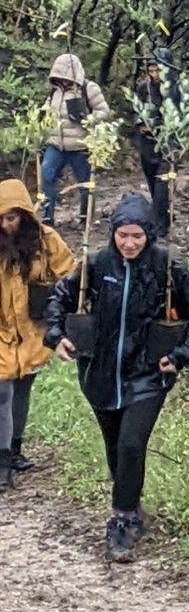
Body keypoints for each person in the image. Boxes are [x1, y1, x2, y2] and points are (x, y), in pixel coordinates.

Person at [43, 193, 189, 558]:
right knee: (116, 447)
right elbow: (59, 298)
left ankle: (120, 521)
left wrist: (181, 355)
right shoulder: (96, 264)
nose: (130, 243)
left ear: (149, 234)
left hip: (149, 374)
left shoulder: (166, 268)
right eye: (123, 236)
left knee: (133, 444)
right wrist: (57, 337)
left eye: (137, 236)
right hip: (100, 374)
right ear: (113, 234)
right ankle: (132, 506)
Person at [0, 179, 76, 489]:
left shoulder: (45, 241)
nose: (5, 225)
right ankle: (2, 460)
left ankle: (14, 448)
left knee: (21, 391)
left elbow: (71, 275)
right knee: (1, 393)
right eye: (1, 219)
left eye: (11, 218)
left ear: (25, 215)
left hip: (32, 331)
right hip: (2, 330)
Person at [40, 51, 111, 225]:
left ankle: (85, 217)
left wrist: (88, 120)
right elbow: (47, 109)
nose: (63, 80)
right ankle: (48, 216)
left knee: (85, 183)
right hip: (56, 144)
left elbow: (103, 110)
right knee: (46, 175)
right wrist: (40, 116)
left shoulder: (88, 88)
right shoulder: (55, 92)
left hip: (80, 145)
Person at [132, 49, 186, 233]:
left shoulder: (177, 90)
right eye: (152, 70)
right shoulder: (143, 88)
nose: (155, 74)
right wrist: (139, 122)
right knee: (153, 188)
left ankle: (160, 230)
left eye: (158, 70)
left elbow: (184, 117)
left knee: (163, 187)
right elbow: (136, 109)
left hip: (168, 146)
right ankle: (163, 217)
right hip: (147, 145)